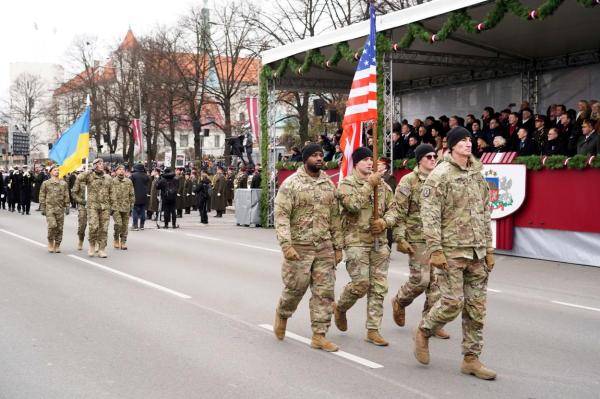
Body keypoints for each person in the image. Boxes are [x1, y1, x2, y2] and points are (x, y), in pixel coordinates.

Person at [414, 126, 496, 380]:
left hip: (477, 251)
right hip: (450, 251)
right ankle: (424, 330)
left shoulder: (477, 173)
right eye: (461, 141)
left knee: (476, 309)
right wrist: (435, 249)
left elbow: (485, 212)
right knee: (451, 304)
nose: (468, 144)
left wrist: (489, 247)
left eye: (469, 140)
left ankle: (471, 359)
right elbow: (429, 215)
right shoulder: (440, 174)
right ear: (451, 147)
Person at [273, 143, 343, 352]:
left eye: (321, 155)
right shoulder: (291, 184)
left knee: (325, 292)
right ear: (305, 159)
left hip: (323, 247)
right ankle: (283, 313)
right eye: (314, 155)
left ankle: (319, 335)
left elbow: (335, 217)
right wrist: (286, 244)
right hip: (299, 247)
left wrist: (338, 246)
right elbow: (282, 216)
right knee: (296, 288)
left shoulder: (328, 184)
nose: (319, 158)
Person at [333, 147, 398, 346]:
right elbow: (352, 205)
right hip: (356, 241)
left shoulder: (384, 187)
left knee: (378, 287)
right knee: (361, 284)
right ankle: (341, 307)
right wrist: (370, 185)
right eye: (366, 160)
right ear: (356, 163)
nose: (370, 163)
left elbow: (395, 211)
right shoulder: (346, 184)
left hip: (379, 242)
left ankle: (373, 329)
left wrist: (384, 223)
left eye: (372, 159)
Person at [391, 144, 449, 339]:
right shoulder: (409, 181)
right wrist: (399, 237)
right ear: (419, 160)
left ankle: (430, 323)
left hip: (439, 239)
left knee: (437, 283)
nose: (433, 159)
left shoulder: (441, 179)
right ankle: (400, 300)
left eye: (435, 156)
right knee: (421, 280)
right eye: (428, 157)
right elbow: (398, 211)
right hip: (416, 238)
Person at [75, 158, 113, 258]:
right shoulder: (89, 176)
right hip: (92, 206)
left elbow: (112, 192)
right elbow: (79, 178)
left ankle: (102, 249)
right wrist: (89, 171)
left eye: (102, 163)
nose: (101, 165)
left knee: (104, 229)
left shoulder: (108, 177)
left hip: (105, 206)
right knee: (94, 227)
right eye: (99, 164)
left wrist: (113, 206)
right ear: (95, 165)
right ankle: (92, 245)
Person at [39, 164, 70, 253]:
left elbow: (66, 195)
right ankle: (50, 242)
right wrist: (43, 207)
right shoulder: (46, 183)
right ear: (50, 172)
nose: (57, 171)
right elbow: (42, 195)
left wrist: (67, 206)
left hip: (60, 208)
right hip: (50, 208)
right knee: (52, 226)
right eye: (55, 170)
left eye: (58, 170)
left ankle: (57, 245)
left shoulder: (63, 183)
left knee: (60, 228)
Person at [111, 165, 135, 250]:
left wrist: (132, 205)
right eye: (119, 169)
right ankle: (116, 238)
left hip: (126, 207)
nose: (121, 171)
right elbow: (109, 194)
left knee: (124, 226)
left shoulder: (128, 181)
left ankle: (123, 242)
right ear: (116, 171)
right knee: (118, 224)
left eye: (123, 169)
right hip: (115, 207)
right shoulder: (112, 181)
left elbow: (132, 194)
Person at [71, 170, 88, 251]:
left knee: (95, 226)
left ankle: (94, 243)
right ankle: (80, 240)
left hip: (94, 205)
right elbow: (73, 193)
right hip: (83, 205)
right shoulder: (79, 180)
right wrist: (81, 201)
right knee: (82, 225)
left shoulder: (95, 179)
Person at [130, 163, 150, 230]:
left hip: (135, 195)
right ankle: (142, 225)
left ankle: (135, 225)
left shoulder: (133, 175)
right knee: (142, 211)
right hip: (144, 195)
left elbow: (130, 184)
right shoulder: (146, 176)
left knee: (135, 210)